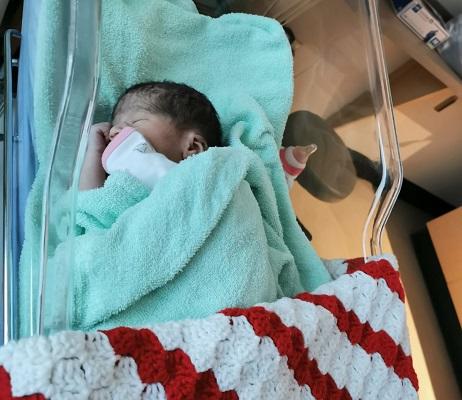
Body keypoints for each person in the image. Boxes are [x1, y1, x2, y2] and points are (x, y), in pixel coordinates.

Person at [79, 81, 222, 191]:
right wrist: (95, 148)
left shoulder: (210, 182)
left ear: (192, 146)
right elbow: (88, 205)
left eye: (135, 122)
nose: (114, 132)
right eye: (115, 127)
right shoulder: (121, 186)